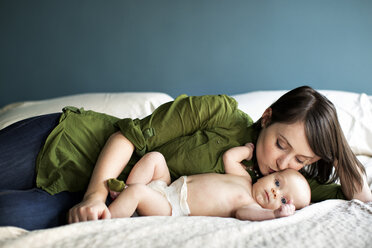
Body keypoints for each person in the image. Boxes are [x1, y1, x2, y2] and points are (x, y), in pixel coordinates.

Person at [0, 86, 371, 230]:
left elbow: (355, 197)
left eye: (300, 160)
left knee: (8, 217)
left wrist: (339, 154)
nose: (283, 165)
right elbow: (127, 135)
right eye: (281, 145)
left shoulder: (285, 187)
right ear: (268, 117)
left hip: (93, 199)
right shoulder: (219, 114)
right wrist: (96, 194)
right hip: (72, 146)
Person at [107, 148, 311, 221]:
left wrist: (274, 214)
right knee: (155, 159)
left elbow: (246, 215)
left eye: (283, 199)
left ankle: (106, 217)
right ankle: (124, 191)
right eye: (277, 182)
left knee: (138, 192)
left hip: (171, 208)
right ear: (270, 175)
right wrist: (248, 150)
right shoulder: (244, 178)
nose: (275, 192)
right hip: (169, 188)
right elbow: (229, 158)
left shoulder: (250, 205)